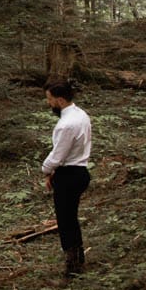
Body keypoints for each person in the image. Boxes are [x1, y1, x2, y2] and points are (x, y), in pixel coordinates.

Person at [42, 80, 92, 276]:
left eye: (50, 99)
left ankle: (73, 269)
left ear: (60, 100)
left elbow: (58, 155)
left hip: (69, 174)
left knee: (66, 222)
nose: (49, 103)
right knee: (70, 220)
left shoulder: (66, 124)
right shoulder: (80, 114)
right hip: (77, 171)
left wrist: (46, 169)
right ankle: (77, 262)